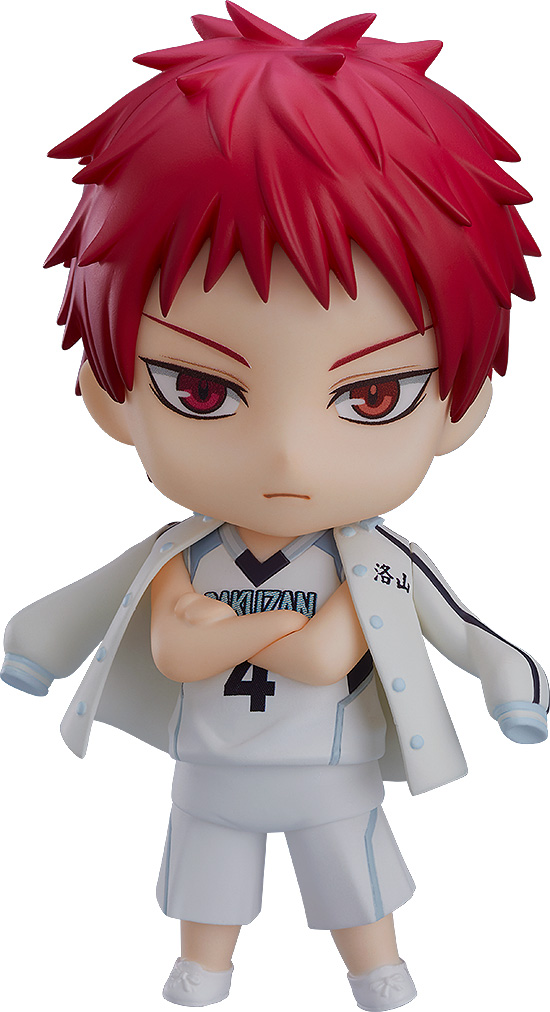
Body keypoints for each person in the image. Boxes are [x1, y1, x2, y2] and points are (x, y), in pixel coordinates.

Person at [2, 6, 547, 1010]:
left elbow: (454, 629)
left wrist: (511, 683)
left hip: (333, 775)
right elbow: (157, 635)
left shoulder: (376, 563)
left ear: (459, 408)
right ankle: (204, 968)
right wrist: (38, 649)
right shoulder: (180, 554)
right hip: (210, 774)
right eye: (201, 389)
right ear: (108, 396)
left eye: (371, 396)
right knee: (205, 877)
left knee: (354, 876)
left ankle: (373, 969)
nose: (288, 454)